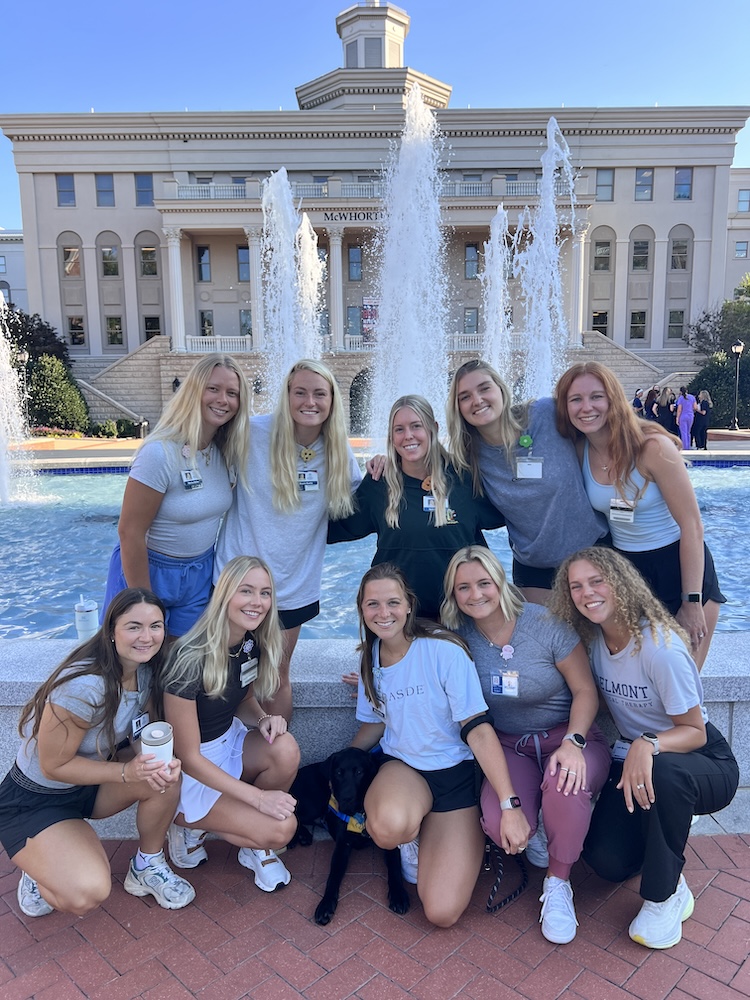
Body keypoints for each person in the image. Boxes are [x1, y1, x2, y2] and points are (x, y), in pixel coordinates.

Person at [550, 548, 738, 950]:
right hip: (638, 757)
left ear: (621, 584)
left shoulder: (660, 647)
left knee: (666, 774)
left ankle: (665, 896)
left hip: (700, 760)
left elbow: (695, 732)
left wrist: (648, 743)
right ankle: (664, 842)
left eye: (597, 581)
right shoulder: (594, 640)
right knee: (605, 862)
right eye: (576, 586)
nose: (587, 593)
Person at [441, 546, 611, 944]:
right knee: (502, 824)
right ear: (453, 594)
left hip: (566, 736)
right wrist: (372, 672)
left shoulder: (545, 623)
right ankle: (536, 822)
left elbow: (586, 690)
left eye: (483, 583)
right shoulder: (457, 640)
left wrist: (574, 741)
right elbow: (408, 650)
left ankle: (557, 883)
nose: (475, 594)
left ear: (501, 582)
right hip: (508, 747)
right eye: (463, 587)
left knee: (566, 784)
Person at [351, 563, 530, 928]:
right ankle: (411, 836)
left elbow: (477, 729)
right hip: (404, 771)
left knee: (441, 913)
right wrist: (343, 763)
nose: (383, 614)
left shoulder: (443, 651)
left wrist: (509, 804)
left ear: (409, 606)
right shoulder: (370, 658)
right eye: (373, 605)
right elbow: (373, 725)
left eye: (392, 603)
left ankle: (442, 836)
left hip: (455, 778)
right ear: (361, 610)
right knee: (387, 827)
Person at [0, 589, 195, 918]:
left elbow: (139, 728)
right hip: (35, 798)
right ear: (111, 631)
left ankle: (146, 867)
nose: (146, 637)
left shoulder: (145, 672)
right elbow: (53, 766)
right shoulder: (84, 686)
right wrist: (126, 773)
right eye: (134, 627)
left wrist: (151, 761)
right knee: (86, 894)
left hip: (87, 787)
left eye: (155, 626)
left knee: (163, 777)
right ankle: (38, 866)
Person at [214, 359, 362, 720]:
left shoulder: (338, 450)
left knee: (275, 677)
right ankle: (221, 759)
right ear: (287, 395)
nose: (309, 401)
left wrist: (384, 469)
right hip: (236, 581)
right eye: (300, 392)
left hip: (293, 586)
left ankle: (276, 758)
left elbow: (359, 504)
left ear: (332, 400)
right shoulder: (250, 433)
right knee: (224, 675)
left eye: (319, 393)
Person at [554, 361, 725, 669]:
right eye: (575, 399)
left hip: (678, 567)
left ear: (613, 399)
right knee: (638, 684)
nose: (586, 407)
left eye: (596, 397)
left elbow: (692, 526)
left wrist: (692, 600)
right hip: (626, 574)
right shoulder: (579, 452)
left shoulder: (651, 447)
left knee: (681, 685)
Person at [160, 556, 300, 892]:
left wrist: (264, 718)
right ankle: (185, 824)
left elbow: (243, 701)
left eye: (265, 593)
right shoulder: (189, 658)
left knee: (285, 749)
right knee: (282, 829)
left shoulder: (249, 643)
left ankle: (248, 840)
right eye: (246, 591)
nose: (257, 602)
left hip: (229, 743)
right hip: (193, 771)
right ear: (224, 595)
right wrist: (257, 799)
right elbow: (188, 757)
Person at [103, 354, 251, 638]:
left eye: (232, 393)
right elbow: (130, 532)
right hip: (148, 567)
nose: (223, 400)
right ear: (194, 390)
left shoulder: (225, 452)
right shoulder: (159, 453)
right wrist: (142, 599)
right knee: (131, 659)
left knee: (183, 666)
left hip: (199, 573)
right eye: (213, 389)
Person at [446, 358, 608, 606]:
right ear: (458, 407)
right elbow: (422, 464)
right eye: (465, 396)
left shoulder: (545, 414)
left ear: (501, 389)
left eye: (484, 388)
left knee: (603, 642)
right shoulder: (468, 455)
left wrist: (648, 435)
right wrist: (383, 461)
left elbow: (601, 425)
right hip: (534, 570)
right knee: (548, 643)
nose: (477, 400)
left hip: (593, 553)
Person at [328, 394, 504, 620]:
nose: (408, 436)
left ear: (434, 428)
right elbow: (336, 526)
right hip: (397, 619)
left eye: (416, 426)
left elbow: (513, 512)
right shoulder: (379, 483)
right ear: (391, 437)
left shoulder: (464, 477)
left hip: (461, 614)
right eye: (399, 429)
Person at [676, 386, 697, 450]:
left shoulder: (681, 398)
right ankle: (688, 446)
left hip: (683, 415)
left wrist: (677, 418)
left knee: (683, 432)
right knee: (688, 432)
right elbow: (695, 407)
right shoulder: (692, 397)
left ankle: (685, 447)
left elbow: (679, 409)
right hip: (690, 415)